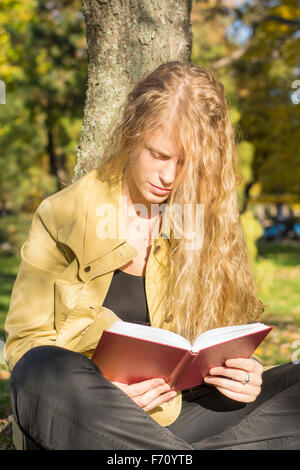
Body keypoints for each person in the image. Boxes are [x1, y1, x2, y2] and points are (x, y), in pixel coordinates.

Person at [5, 62, 300, 450]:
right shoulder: (64, 215)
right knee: (39, 367)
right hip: (89, 418)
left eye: (184, 163)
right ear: (133, 134)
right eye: (159, 155)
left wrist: (244, 374)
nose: (169, 177)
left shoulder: (202, 217)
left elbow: (226, 338)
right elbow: (24, 343)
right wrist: (107, 397)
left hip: (179, 414)